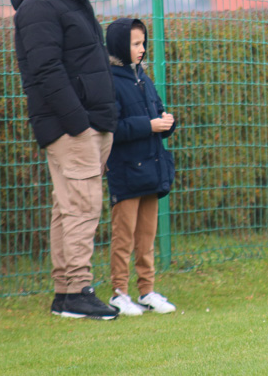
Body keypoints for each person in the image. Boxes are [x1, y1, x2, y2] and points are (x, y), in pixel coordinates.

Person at [11, 0, 119, 319]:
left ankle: (66, 293)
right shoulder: (39, 6)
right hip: (72, 127)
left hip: (92, 123)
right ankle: (77, 291)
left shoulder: (74, 1)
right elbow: (45, 70)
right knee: (82, 207)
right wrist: (78, 123)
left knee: (69, 207)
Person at [105, 18, 178, 315]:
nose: (142, 49)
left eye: (143, 43)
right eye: (136, 44)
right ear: (121, 45)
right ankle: (119, 292)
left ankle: (147, 290)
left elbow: (157, 112)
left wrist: (168, 122)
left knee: (147, 236)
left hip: (151, 169)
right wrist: (149, 125)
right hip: (125, 171)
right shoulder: (110, 81)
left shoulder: (144, 78)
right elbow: (113, 128)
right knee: (124, 236)